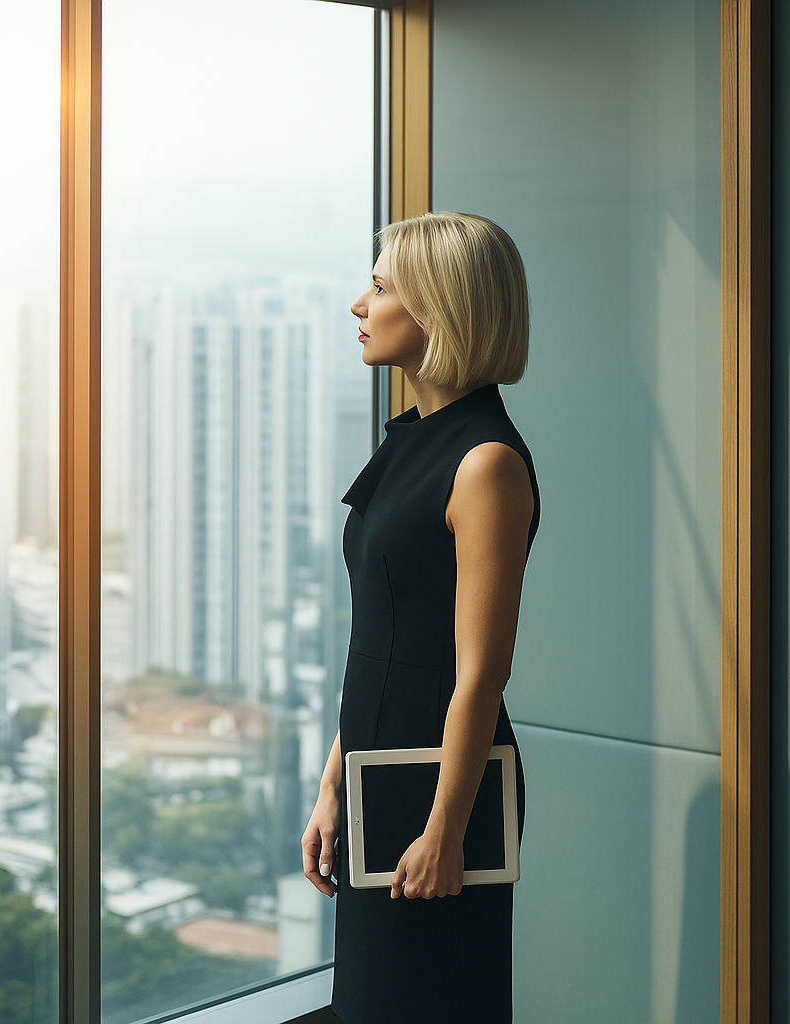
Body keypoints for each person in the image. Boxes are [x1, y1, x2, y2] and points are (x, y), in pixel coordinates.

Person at [301, 211, 541, 1024]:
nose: (359, 305)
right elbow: (381, 638)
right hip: (380, 778)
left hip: (439, 792)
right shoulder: (408, 443)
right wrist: (335, 781)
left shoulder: (487, 464)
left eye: (378, 287)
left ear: (437, 307)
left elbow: (480, 670)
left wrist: (447, 827)